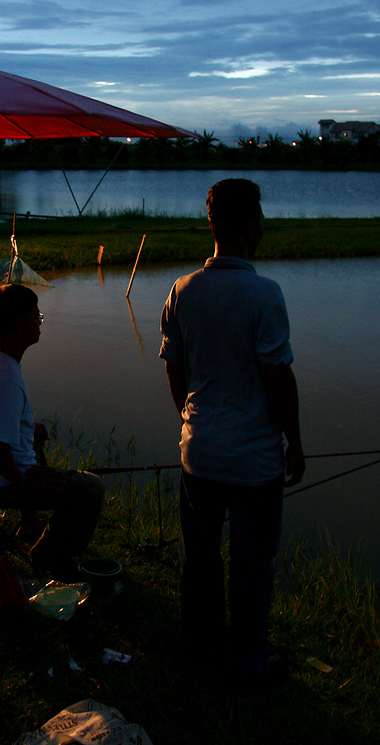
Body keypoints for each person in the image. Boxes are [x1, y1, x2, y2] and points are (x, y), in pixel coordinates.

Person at [159, 178, 305, 684]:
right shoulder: (266, 294)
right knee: (251, 566)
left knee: (198, 559)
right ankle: (247, 660)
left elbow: (173, 368)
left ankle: (198, 644)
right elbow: (278, 376)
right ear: (246, 229)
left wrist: (190, 420)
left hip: (198, 453)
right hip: (253, 461)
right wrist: (297, 444)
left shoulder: (182, 290)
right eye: (260, 220)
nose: (264, 229)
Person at [0, 283, 105, 581]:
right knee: (91, 489)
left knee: (32, 435)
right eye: (35, 315)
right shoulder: (6, 377)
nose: (39, 321)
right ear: (19, 324)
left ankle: (28, 522)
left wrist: (28, 426)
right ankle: (51, 553)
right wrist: (24, 481)